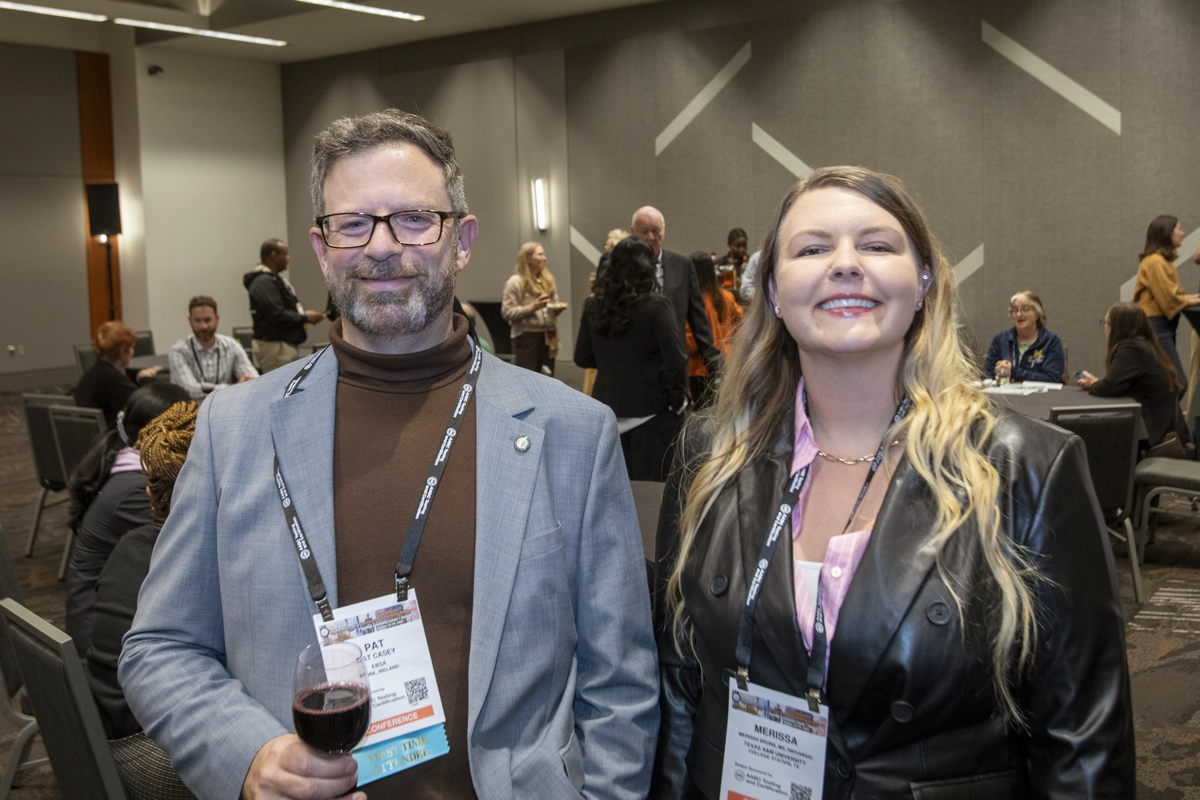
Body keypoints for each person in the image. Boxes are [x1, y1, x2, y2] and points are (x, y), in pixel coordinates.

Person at [121, 108, 658, 800]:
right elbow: (161, 646)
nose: (381, 246)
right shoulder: (232, 430)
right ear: (321, 249)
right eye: (352, 224)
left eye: (412, 219)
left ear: (462, 240)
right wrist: (247, 758)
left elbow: (621, 685)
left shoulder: (573, 432)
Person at [652, 166, 1134, 798]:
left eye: (877, 245)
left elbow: (1082, 742)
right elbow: (681, 686)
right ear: (773, 291)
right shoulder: (710, 454)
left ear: (924, 281)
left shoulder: (1025, 467)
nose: (845, 265)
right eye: (812, 249)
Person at [87, 399, 199, 800]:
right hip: (151, 756)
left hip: (106, 737)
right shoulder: (192, 562)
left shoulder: (132, 545)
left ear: (150, 493)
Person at [65, 381, 191, 657]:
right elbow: (182, 553)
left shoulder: (123, 462)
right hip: (100, 643)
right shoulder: (136, 490)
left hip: (105, 619)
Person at [575, 237, 687, 481]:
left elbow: (582, 357)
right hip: (651, 413)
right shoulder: (657, 306)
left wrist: (613, 362)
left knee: (612, 489)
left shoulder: (593, 305)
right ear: (647, 269)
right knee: (651, 492)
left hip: (607, 410)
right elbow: (676, 360)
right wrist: (676, 401)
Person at [1078, 302, 1183, 452]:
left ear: (1117, 326)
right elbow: (1118, 383)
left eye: (1106, 322)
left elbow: (1109, 387)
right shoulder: (1144, 344)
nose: (1105, 327)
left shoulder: (1130, 348)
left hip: (1150, 432)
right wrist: (1098, 382)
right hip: (1161, 423)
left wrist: (1093, 384)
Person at [631, 205, 722, 374]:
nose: (650, 237)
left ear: (663, 233)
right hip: (633, 365)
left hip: (673, 365)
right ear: (632, 232)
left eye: (655, 231)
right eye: (644, 231)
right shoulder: (621, 268)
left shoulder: (683, 266)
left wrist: (715, 365)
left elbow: (698, 320)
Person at [1133, 214, 1200, 393]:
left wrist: (1194, 298)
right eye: (1179, 228)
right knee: (1177, 383)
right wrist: (1196, 299)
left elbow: (1176, 295)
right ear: (1167, 232)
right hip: (1155, 327)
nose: (1183, 233)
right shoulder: (1155, 262)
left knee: (1167, 383)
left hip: (1163, 327)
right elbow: (1169, 299)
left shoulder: (1163, 262)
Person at [243, 238, 325, 372]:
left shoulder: (273, 280)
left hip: (282, 346)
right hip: (275, 347)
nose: (288, 258)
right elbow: (276, 314)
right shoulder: (263, 282)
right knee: (280, 384)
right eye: (285, 254)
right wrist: (305, 318)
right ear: (273, 255)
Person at [72, 320, 163, 426]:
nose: (133, 352)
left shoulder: (96, 373)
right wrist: (146, 379)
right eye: (131, 347)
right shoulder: (111, 379)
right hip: (113, 434)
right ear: (123, 351)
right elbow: (150, 408)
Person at [167, 295, 258, 399]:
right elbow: (189, 389)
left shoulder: (231, 345)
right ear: (190, 321)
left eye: (207, 320)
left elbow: (253, 378)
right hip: (193, 407)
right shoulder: (178, 351)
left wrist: (248, 381)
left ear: (217, 319)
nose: (203, 326)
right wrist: (234, 387)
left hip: (226, 403)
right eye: (197, 320)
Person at [686, 251, 742, 409]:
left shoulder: (694, 303)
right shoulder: (727, 296)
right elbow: (742, 323)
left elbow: (691, 344)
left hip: (700, 369)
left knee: (703, 416)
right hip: (727, 363)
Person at [500, 242, 566, 375]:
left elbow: (553, 305)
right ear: (528, 258)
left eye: (544, 254)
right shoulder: (515, 282)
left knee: (548, 376)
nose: (544, 258)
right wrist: (532, 307)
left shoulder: (548, 280)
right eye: (540, 254)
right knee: (528, 377)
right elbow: (507, 312)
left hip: (549, 334)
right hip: (526, 336)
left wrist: (557, 310)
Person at [982, 290, 1066, 383]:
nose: (1019, 314)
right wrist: (999, 370)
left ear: (1037, 314)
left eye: (1025, 309)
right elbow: (986, 375)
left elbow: (1052, 378)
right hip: (1007, 391)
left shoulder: (1051, 341)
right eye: (1015, 310)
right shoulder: (1001, 340)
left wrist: (1013, 371)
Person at [714, 227, 749, 291]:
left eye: (744, 245)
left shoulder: (751, 262)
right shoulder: (720, 264)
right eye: (738, 246)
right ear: (729, 245)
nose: (742, 249)